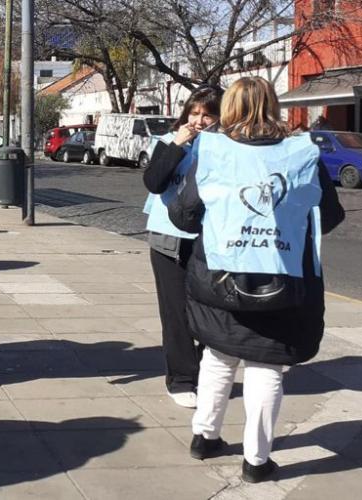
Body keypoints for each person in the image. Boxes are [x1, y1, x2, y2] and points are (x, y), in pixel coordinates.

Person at [168, 76, 344, 483]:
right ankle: (257, 460)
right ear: (274, 106)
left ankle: (205, 436)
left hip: (218, 277)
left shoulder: (213, 151)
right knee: (267, 366)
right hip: (281, 279)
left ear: (229, 108)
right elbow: (329, 216)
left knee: (217, 354)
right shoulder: (302, 153)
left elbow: (184, 214)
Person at [142, 85, 223, 408]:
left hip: (210, 240)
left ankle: (206, 372)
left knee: (209, 311)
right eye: (194, 112)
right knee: (176, 312)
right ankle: (181, 378)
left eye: (207, 114)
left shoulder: (227, 146)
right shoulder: (167, 141)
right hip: (168, 239)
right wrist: (177, 145)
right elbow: (153, 182)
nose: (200, 120)